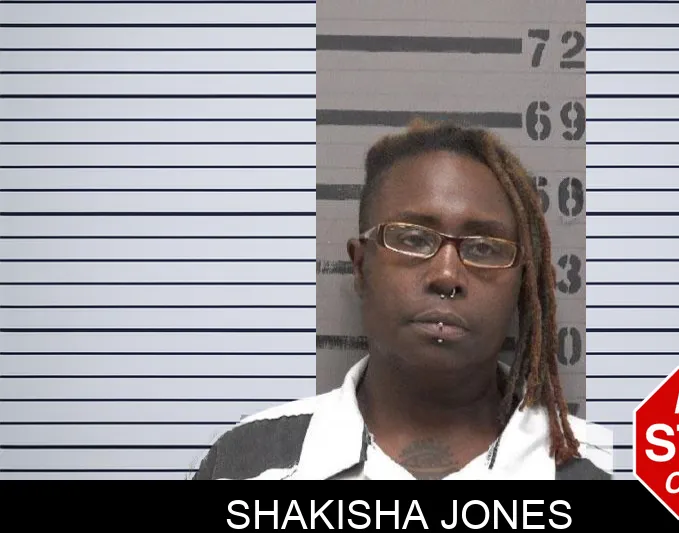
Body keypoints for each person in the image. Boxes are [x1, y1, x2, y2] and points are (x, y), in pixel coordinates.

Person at [193, 120, 612, 480]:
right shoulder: (246, 463)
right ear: (361, 267)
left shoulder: (602, 468)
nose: (447, 275)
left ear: (521, 283)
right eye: (412, 239)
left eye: (484, 248)